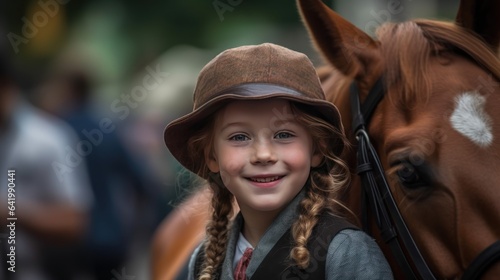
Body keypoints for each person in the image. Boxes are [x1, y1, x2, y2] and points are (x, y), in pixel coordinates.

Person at [163, 43, 393, 279]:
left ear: (316, 149)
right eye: (239, 137)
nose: (263, 155)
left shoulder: (346, 253)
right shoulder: (204, 261)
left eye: (284, 135)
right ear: (211, 157)